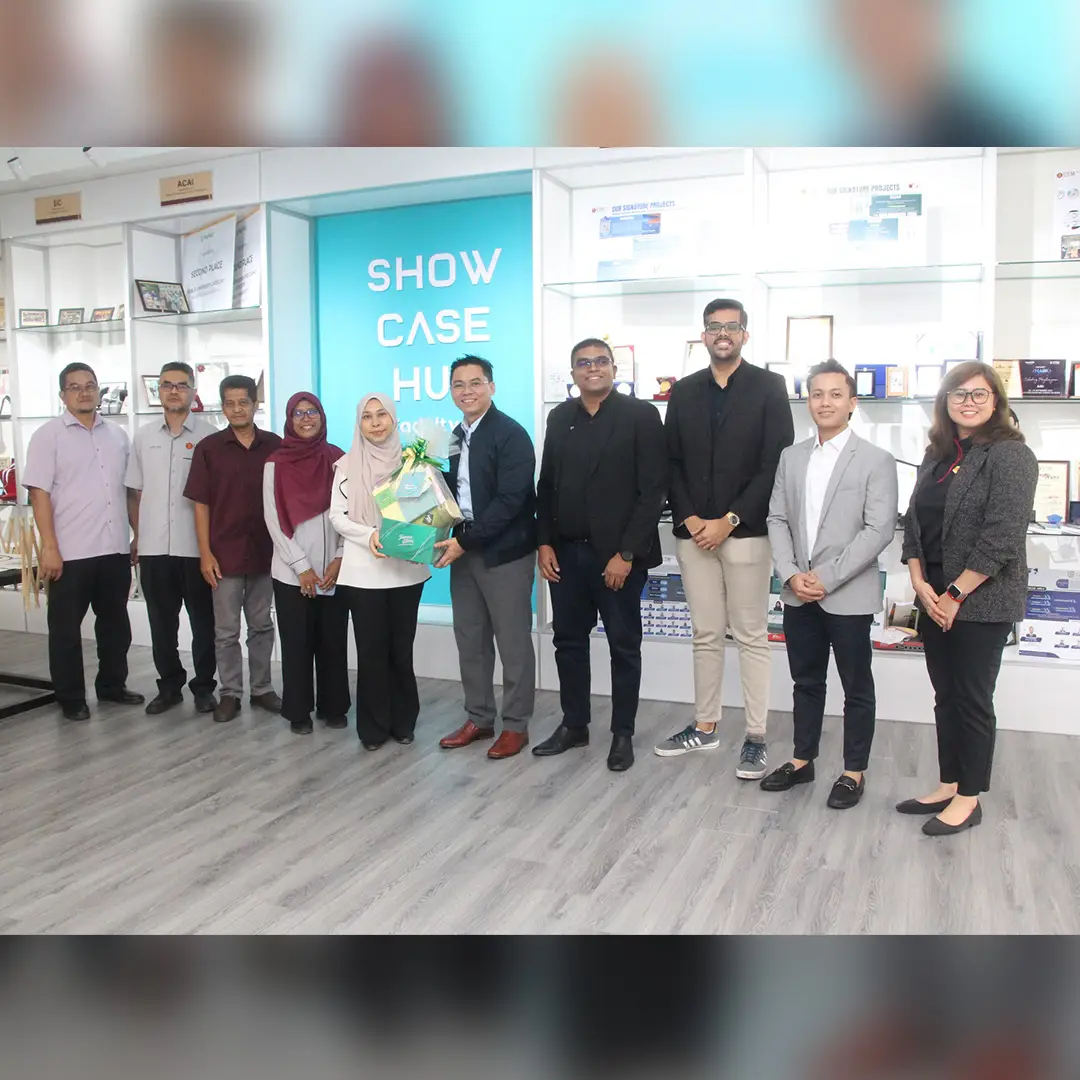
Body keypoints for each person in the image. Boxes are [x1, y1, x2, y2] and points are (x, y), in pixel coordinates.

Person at [655, 299, 794, 780]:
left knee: (751, 635)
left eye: (731, 327)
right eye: (714, 326)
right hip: (694, 534)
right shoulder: (684, 390)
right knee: (706, 633)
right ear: (703, 335)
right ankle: (705, 725)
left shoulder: (768, 387)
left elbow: (775, 462)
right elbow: (670, 461)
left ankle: (756, 736)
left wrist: (729, 519)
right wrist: (692, 518)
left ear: (744, 335)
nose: (723, 334)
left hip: (746, 532)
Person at [898, 361, 1037, 835]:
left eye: (979, 394)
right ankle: (949, 782)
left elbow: (1002, 536)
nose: (969, 402)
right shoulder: (936, 454)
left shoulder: (1011, 455)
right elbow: (914, 523)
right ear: (946, 401)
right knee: (946, 696)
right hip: (933, 595)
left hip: (981, 598)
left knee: (973, 699)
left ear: (996, 401)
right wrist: (919, 581)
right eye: (959, 393)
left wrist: (955, 594)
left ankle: (969, 798)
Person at [761, 360, 898, 809]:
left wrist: (826, 576)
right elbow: (776, 518)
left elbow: (878, 530)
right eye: (817, 394)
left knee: (856, 687)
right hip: (798, 591)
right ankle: (802, 761)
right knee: (806, 681)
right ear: (808, 401)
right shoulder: (791, 456)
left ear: (852, 403)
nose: (825, 402)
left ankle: (853, 772)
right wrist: (790, 573)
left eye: (836, 394)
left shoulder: (876, 460)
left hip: (847, 593)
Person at [534, 338, 668, 772]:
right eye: (583, 362)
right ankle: (575, 725)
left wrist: (627, 553)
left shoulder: (640, 415)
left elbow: (653, 491)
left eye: (601, 361)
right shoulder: (560, 417)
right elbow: (547, 485)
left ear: (614, 368)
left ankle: (622, 733)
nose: (592, 368)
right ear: (573, 373)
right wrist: (544, 541)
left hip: (618, 559)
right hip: (566, 554)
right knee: (568, 642)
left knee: (623, 647)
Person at [22, 362, 144, 721]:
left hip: (114, 547)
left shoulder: (117, 435)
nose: (84, 392)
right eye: (74, 387)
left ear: (98, 391)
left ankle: (112, 685)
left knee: (115, 626)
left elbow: (129, 491)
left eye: (90, 385)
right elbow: (39, 494)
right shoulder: (47, 436)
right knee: (65, 631)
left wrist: (138, 533)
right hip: (69, 551)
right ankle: (71, 696)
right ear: (63, 395)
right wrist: (49, 547)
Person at [435, 356, 537, 760]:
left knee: (513, 643)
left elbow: (511, 500)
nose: (467, 391)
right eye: (459, 385)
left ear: (491, 387)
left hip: (504, 552)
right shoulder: (454, 436)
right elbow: (453, 491)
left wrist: (465, 541)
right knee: (470, 639)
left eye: (475, 383)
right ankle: (479, 717)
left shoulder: (511, 434)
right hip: (465, 549)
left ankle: (515, 725)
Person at [328, 394, 429, 751]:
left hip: (406, 571)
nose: (375, 423)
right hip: (362, 574)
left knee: (401, 650)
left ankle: (403, 722)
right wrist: (369, 534)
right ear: (359, 423)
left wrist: (419, 535)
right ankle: (372, 728)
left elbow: (425, 512)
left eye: (381, 415)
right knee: (371, 652)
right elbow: (337, 516)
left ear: (393, 419)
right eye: (367, 417)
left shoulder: (412, 462)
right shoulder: (346, 465)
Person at [183, 375, 282, 724]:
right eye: (230, 403)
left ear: (255, 404)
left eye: (243, 402)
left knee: (262, 626)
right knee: (225, 632)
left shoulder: (275, 446)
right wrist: (205, 553)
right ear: (223, 406)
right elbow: (200, 504)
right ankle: (230, 693)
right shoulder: (209, 448)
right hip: (223, 555)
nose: (237, 409)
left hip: (266, 553)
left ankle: (262, 688)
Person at [126, 362, 217, 716]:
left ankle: (204, 687)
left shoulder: (210, 436)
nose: (174, 391)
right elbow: (134, 492)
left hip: (196, 549)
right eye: (167, 385)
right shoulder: (143, 436)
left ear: (193, 391)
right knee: (161, 624)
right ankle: (169, 687)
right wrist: (138, 534)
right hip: (153, 548)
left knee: (203, 624)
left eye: (181, 385)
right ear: (159, 391)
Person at [263, 391, 350, 736]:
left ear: (322, 416)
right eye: (298, 413)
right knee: (296, 643)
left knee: (333, 641)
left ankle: (334, 707)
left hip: (332, 571)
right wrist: (301, 566)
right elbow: (273, 519)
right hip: (290, 572)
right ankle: (298, 711)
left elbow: (351, 512)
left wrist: (340, 557)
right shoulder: (275, 463)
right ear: (289, 419)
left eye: (312, 411)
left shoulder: (338, 459)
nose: (306, 418)